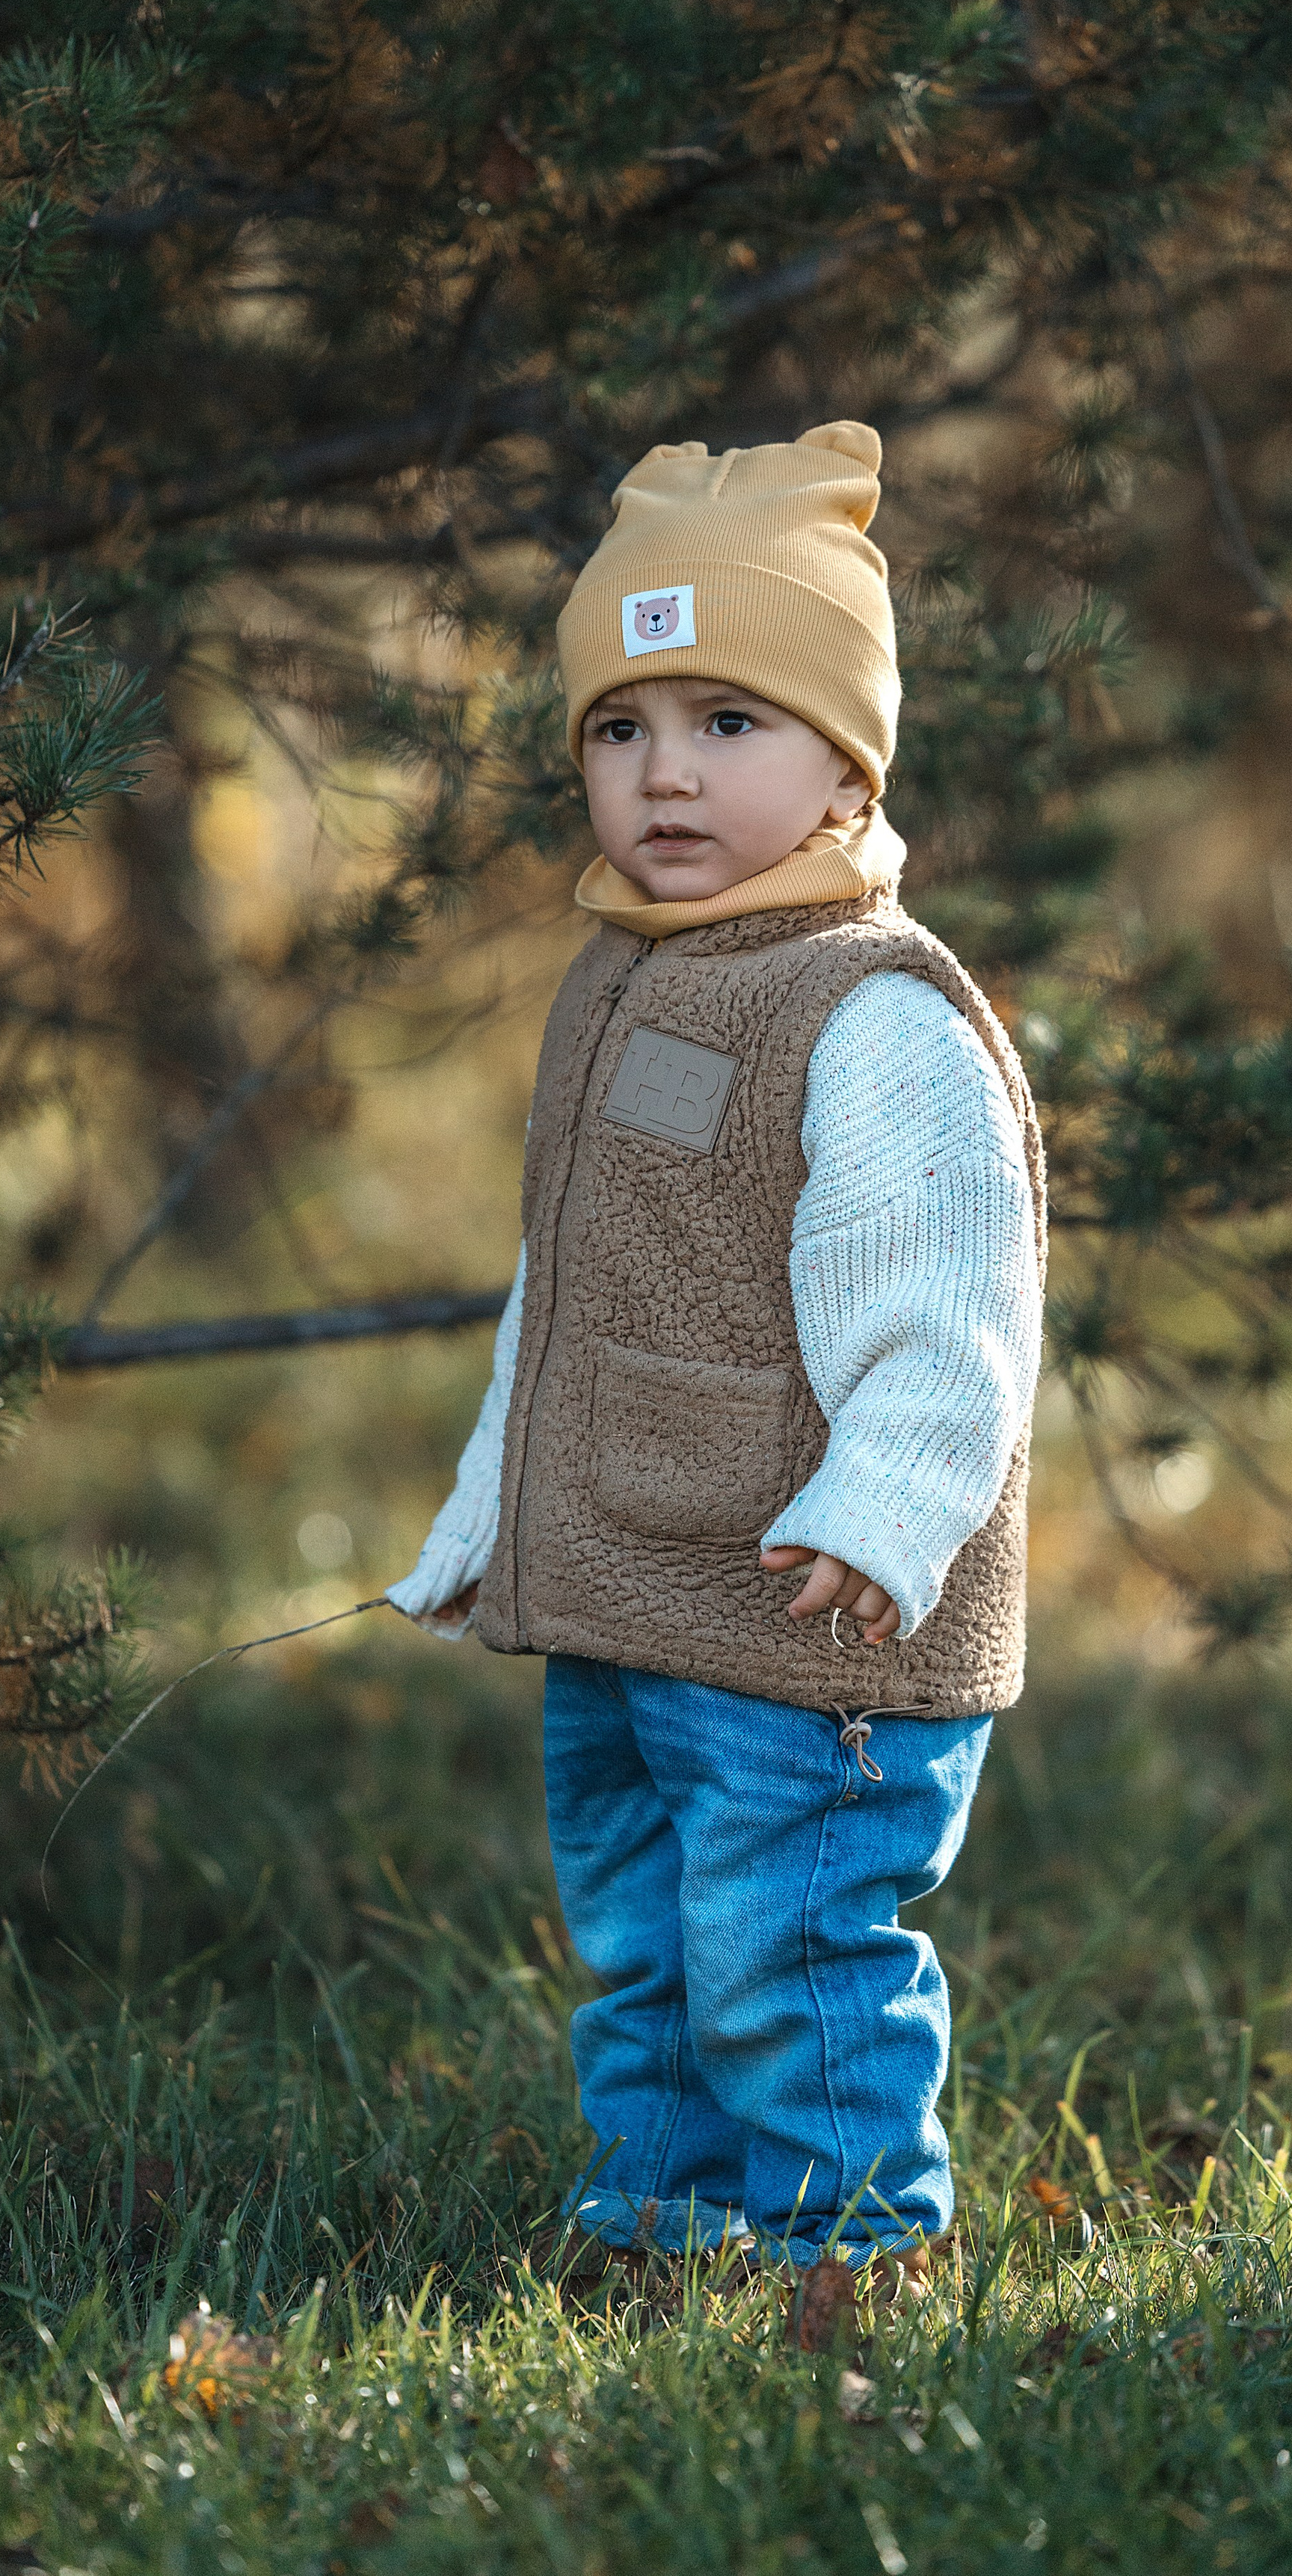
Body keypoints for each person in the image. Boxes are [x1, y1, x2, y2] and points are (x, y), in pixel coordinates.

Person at [387, 419, 1045, 2286]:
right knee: (647, 1938)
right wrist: (481, 1521)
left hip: (801, 1611)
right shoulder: (624, 982)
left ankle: (848, 2249)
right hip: (620, 1592)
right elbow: (573, 1290)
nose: (664, 779)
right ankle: (665, 2223)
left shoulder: (873, 1014)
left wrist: (885, 1512)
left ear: (847, 758)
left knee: (786, 1941)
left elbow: (949, 1317)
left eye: (727, 724)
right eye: (621, 728)